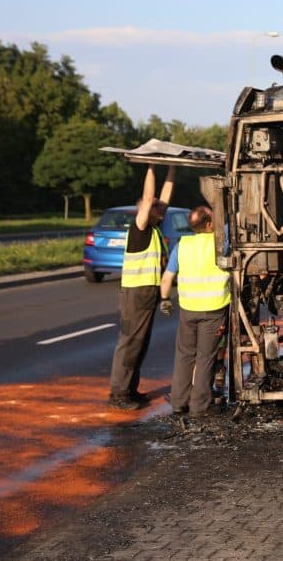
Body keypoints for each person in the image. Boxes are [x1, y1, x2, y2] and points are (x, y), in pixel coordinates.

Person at [108, 164, 175, 410]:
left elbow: (164, 197)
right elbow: (149, 198)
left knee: (140, 343)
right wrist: (150, 166)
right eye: (158, 207)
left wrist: (172, 169)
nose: (162, 208)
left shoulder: (155, 228)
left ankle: (130, 390)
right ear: (147, 210)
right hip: (135, 293)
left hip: (147, 293)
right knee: (129, 343)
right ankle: (118, 395)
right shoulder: (140, 229)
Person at [159, 205, 230, 417]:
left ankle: (179, 402)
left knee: (184, 356)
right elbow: (228, 226)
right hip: (214, 310)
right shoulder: (220, 243)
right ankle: (201, 406)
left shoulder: (183, 244)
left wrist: (164, 300)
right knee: (205, 358)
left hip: (188, 310)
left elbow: (167, 278)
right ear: (210, 224)